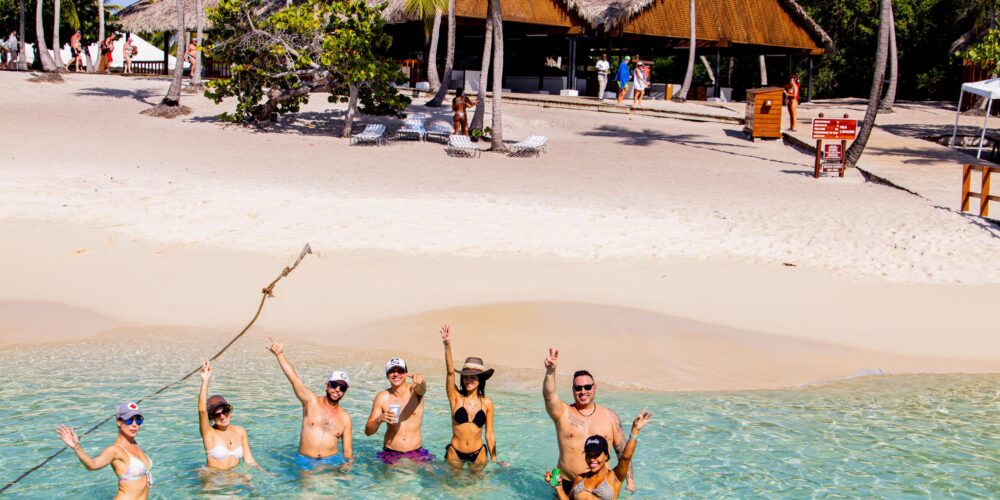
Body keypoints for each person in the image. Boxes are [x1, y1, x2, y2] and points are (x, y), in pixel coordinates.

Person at [542, 348, 634, 496]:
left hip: (601, 486)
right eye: (578, 388)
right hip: (567, 483)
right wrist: (550, 371)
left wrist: (630, 480)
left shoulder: (610, 417)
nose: (583, 391)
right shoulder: (563, 413)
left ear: (594, 387)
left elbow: (622, 452)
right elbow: (549, 396)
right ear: (573, 390)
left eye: (587, 387)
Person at [266, 337, 354, 471]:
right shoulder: (311, 401)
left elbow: (348, 451)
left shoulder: (345, 418)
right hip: (305, 460)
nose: (337, 390)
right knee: (307, 492)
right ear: (327, 385)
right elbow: (294, 379)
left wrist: (348, 465)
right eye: (334, 385)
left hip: (332, 461)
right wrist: (279, 355)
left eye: (342, 388)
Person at [546, 409, 652, 499]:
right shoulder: (579, 479)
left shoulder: (615, 476)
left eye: (596, 454)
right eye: (588, 455)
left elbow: (625, 457)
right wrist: (558, 487)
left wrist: (635, 430)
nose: (592, 459)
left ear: (606, 456)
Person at [56, 402, 152, 499]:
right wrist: (77, 447)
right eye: (129, 420)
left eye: (138, 420)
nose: (134, 424)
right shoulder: (114, 450)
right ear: (119, 422)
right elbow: (92, 465)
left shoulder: (134, 444)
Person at [440, 324, 500, 470]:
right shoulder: (455, 398)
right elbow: (450, 373)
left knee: (476, 490)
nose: (469, 381)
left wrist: (494, 459)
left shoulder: (487, 403)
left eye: (473, 378)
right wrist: (447, 345)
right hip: (455, 451)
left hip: (478, 452)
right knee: (452, 488)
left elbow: (490, 434)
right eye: (466, 377)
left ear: (480, 380)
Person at [364, 357, 433, 465]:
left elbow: (422, 388)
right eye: (392, 371)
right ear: (387, 375)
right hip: (391, 453)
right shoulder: (382, 398)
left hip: (416, 452)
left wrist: (421, 380)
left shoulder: (414, 391)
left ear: (406, 373)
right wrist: (379, 419)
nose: (396, 374)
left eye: (400, 371)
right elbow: (368, 432)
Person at [197, 360, 263, 471]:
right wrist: (205, 380)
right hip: (213, 479)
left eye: (225, 411)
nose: (222, 416)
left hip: (234, 478)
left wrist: (264, 473)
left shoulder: (240, 431)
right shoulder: (209, 433)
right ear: (212, 418)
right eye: (217, 415)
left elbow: (249, 460)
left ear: (230, 412)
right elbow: (202, 411)